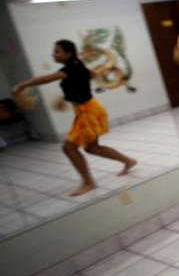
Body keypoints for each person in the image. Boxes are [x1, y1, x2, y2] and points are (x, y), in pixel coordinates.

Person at [12, 40, 137, 196]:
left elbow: (45, 79)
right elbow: (90, 75)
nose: (53, 54)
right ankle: (128, 161)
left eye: (57, 51)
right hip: (90, 109)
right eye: (54, 51)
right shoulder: (77, 64)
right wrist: (69, 96)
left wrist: (21, 85)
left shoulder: (71, 68)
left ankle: (89, 183)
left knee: (69, 148)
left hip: (88, 112)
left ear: (68, 53)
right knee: (92, 148)